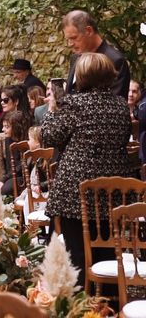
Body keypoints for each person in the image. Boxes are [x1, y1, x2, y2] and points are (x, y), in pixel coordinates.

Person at [42, 53, 133, 287]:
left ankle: (84, 299)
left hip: (76, 189)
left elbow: (49, 136)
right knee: (109, 246)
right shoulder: (121, 106)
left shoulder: (74, 104)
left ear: (81, 77)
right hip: (113, 189)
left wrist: (52, 110)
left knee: (78, 250)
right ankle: (109, 297)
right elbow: (122, 139)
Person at [62, 10, 130, 98]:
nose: (70, 44)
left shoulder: (115, 60)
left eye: (74, 38)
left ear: (89, 31)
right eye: (68, 39)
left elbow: (116, 103)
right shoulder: (75, 58)